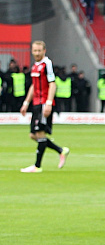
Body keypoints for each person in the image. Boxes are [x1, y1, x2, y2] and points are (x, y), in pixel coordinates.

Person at [19, 41, 70, 173]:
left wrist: (48, 102)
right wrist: (26, 103)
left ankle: (37, 166)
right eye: (34, 50)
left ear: (44, 51)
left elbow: (52, 84)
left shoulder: (47, 64)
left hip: (43, 103)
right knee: (33, 135)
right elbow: (33, 86)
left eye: (39, 51)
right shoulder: (35, 66)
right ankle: (60, 150)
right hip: (36, 103)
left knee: (40, 133)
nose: (37, 53)